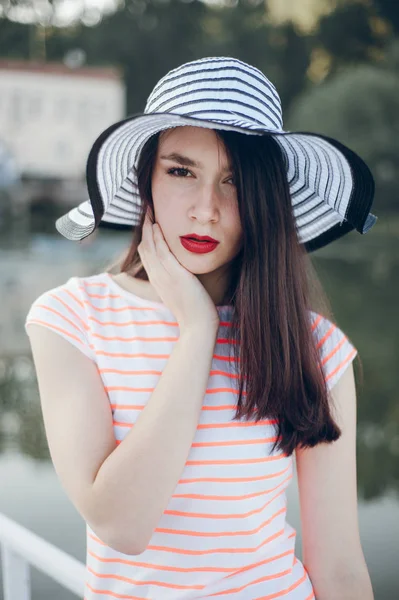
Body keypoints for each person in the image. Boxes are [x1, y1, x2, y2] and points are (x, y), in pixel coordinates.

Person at [25, 57, 376, 599]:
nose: (206, 210)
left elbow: (340, 567)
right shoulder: (73, 319)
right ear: (146, 179)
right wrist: (197, 331)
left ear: (264, 200)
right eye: (181, 171)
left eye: (234, 181)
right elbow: (123, 525)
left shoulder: (314, 347)